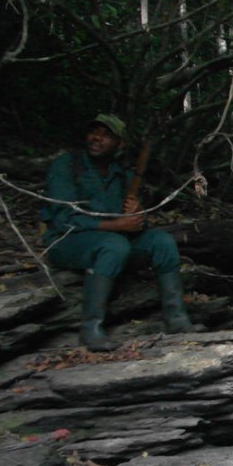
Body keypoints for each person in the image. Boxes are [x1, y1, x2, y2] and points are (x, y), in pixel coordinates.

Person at [43, 114, 199, 352]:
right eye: (94, 132)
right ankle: (91, 329)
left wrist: (138, 216)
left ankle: (177, 319)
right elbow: (63, 219)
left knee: (162, 241)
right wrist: (118, 226)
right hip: (66, 242)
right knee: (114, 245)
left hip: (113, 242)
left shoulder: (123, 174)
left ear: (120, 144)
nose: (97, 138)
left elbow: (133, 224)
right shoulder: (67, 165)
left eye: (106, 135)